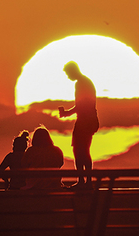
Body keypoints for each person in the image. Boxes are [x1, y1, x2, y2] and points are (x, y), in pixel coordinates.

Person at [58, 61, 99, 189]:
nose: (68, 77)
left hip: (85, 122)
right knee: (83, 151)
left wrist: (67, 113)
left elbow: (82, 105)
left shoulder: (81, 83)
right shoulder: (85, 82)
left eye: (68, 73)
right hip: (88, 121)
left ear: (72, 71)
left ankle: (84, 181)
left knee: (80, 151)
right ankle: (86, 181)